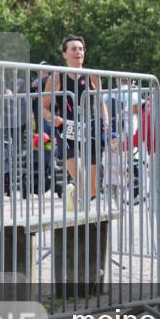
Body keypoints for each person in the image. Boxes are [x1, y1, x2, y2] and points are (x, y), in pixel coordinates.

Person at [40, 36, 110, 203]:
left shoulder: (93, 76)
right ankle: (80, 210)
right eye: (73, 49)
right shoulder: (57, 77)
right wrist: (52, 117)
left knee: (92, 188)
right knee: (81, 178)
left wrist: (106, 122)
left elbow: (101, 103)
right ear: (65, 54)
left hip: (90, 128)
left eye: (81, 49)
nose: (78, 52)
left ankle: (74, 195)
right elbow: (43, 107)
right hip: (66, 129)